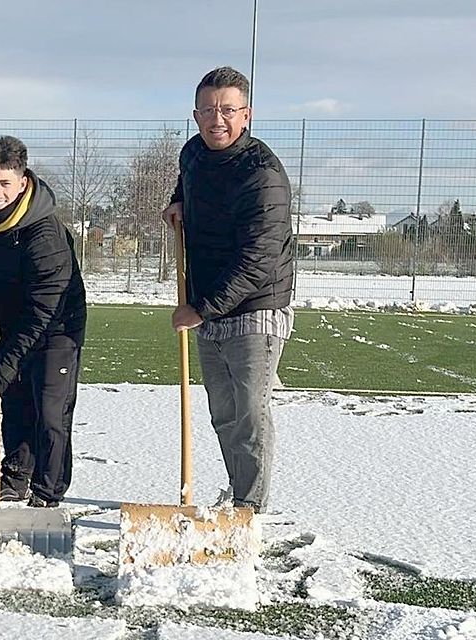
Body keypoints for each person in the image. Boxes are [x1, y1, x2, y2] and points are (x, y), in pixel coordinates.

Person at [162, 67, 294, 514]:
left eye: (228, 110)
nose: (217, 119)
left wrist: (200, 308)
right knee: (223, 413)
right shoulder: (193, 154)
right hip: (210, 302)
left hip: (257, 305)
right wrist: (179, 201)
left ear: (247, 115)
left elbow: (258, 259)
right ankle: (239, 492)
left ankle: (249, 507)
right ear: (196, 115)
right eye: (208, 110)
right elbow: (189, 185)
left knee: (250, 413)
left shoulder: (263, 175)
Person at [0, 136, 87, 508]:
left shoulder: (44, 233)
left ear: (22, 181)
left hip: (57, 324)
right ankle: (14, 478)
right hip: (10, 320)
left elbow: (42, 311)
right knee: (12, 402)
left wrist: (9, 358)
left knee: (49, 410)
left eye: (4, 183)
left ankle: (47, 492)